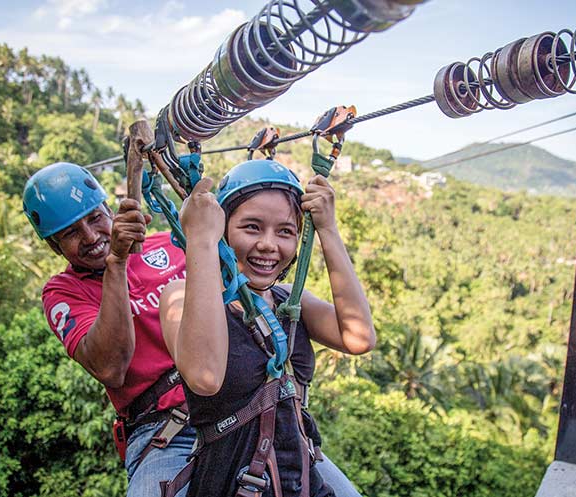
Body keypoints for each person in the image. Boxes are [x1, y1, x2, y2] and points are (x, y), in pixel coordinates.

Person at [23, 161, 367, 497]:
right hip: (166, 429)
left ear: (107, 210)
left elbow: (237, 266)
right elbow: (111, 367)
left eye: (96, 218)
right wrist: (117, 263)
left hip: (250, 405)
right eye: (71, 233)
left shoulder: (169, 245)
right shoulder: (64, 292)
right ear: (54, 246)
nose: (91, 235)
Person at [159, 159, 376, 497]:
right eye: (251, 227)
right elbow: (204, 375)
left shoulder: (290, 300)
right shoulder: (181, 296)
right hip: (230, 485)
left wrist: (328, 230)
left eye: (285, 232)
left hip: (300, 478)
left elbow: (359, 337)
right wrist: (201, 239)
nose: (268, 245)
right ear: (224, 229)